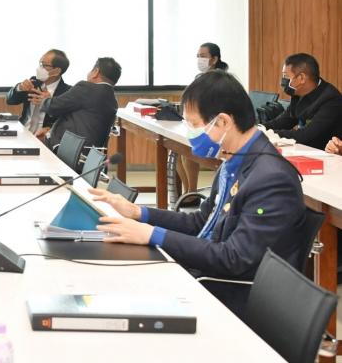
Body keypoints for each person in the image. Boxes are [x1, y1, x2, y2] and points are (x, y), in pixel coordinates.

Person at [91, 70, 306, 317]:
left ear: (223, 122)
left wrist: (152, 235)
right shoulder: (233, 160)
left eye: (194, 124)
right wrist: (140, 213)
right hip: (205, 273)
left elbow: (234, 258)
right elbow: (200, 222)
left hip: (231, 296)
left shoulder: (271, 179)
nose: (190, 133)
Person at [178, 43, 230, 194]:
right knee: (177, 149)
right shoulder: (200, 78)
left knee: (188, 148)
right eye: (198, 56)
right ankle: (189, 192)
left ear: (214, 59)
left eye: (203, 56)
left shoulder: (222, 79)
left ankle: (191, 192)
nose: (199, 59)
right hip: (201, 122)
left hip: (217, 127)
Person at [38, 57, 120, 151]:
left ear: (96, 72)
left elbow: (53, 107)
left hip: (65, 150)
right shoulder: (113, 100)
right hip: (89, 154)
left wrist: (45, 99)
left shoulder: (86, 88)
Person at [263, 53, 342, 149]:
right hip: (305, 149)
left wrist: (267, 134)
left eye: (286, 76)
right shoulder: (298, 93)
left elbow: (306, 135)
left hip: (324, 154)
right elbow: (285, 120)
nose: (283, 81)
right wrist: (259, 128)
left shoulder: (331, 99)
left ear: (301, 78)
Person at [5, 49, 72, 138]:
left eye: (44, 65)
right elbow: (10, 100)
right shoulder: (33, 82)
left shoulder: (68, 92)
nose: (39, 68)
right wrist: (19, 88)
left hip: (43, 138)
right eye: (40, 64)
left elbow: (66, 122)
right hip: (22, 132)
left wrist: (51, 102)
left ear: (57, 71)